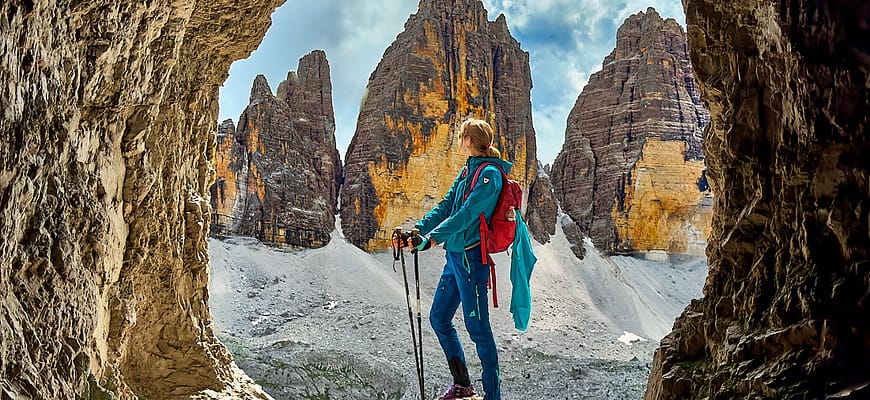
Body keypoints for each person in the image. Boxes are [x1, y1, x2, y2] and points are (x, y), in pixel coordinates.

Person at [411, 118, 509, 400]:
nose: (458, 139)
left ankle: (493, 396)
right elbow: (445, 206)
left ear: (469, 139)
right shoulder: (469, 169)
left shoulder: (490, 176)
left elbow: (466, 215)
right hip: (454, 258)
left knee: (478, 328)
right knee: (439, 317)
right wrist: (418, 229)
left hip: (471, 260)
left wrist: (431, 240)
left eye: (461, 135)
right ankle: (463, 385)